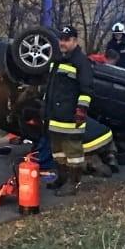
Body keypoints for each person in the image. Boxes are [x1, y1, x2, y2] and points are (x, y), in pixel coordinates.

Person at [45, 25, 95, 193]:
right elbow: (51, 87)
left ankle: (73, 183)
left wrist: (81, 109)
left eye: (67, 40)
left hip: (71, 117)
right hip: (56, 116)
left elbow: (86, 89)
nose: (63, 43)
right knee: (57, 151)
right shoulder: (58, 59)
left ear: (75, 41)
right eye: (61, 39)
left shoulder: (81, 61)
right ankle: (62, 178)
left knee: (73, 152)